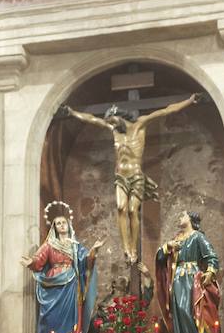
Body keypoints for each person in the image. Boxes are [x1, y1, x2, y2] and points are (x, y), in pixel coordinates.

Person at [60, 95, 200, 264]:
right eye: (109, 122)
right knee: (120, 207)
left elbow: (166, 110)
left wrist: (190, 101)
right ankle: (126, 248)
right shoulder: (114, 130)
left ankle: (133, 249)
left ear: (120, 117)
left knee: (133, 210)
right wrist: (73, 112)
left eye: (112, 120)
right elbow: (92, 119)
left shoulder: (140, 125)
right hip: (121, 176)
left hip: (136, 176)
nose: (110, 124)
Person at [22, 201, 103, 333]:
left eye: (63, 222)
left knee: (73, 321)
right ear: (54, 227)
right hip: (54, 288)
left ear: (68, 224)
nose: (61, 225)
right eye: (58, 223)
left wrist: (93, 251)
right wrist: (31, 262)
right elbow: (38, 262)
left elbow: (86, 262)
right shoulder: (49, 245)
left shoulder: (75, 246)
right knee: (52, 320)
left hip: (72, 287)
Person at [154, 210, 220, 333]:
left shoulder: (197, 236)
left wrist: (210, 272)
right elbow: (160, 257)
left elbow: (211, 256)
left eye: (182, 215)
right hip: (176, 280)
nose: (179, 217)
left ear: (190, 219)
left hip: (191, 279)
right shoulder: (176, 239)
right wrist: (166, 247)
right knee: (178, 315)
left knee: (191, 313)